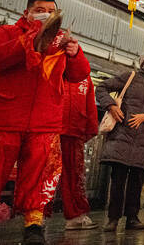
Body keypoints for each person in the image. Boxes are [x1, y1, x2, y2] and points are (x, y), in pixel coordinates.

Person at [0, 0, 90, 245]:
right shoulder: (7, 33)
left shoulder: (61, 41)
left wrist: (75, 54)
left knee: (39, 175)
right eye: (39, 9)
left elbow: (78, 75)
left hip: (45, 120)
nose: (45, 14)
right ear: (27, 12)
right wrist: (27, 41)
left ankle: (34, 223)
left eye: (51, 10)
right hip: (5, 116)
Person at [96, 51, 144, 232]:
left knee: (137, 181)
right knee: (118, 180)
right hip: (121, 136)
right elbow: (102, 88)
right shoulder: (129, 77)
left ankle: (132, 217)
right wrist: (111, 106)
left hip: (143, 140)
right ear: (142, 62)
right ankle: (113, 218)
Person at [59, 75, 99, 230]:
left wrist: (91, 128)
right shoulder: (52, 64)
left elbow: (90, 104)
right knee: (42, 174)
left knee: (75, 175)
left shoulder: (84, 76)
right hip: (48, 127)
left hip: (75, 130)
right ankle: (35, 217)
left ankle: (76, 215)